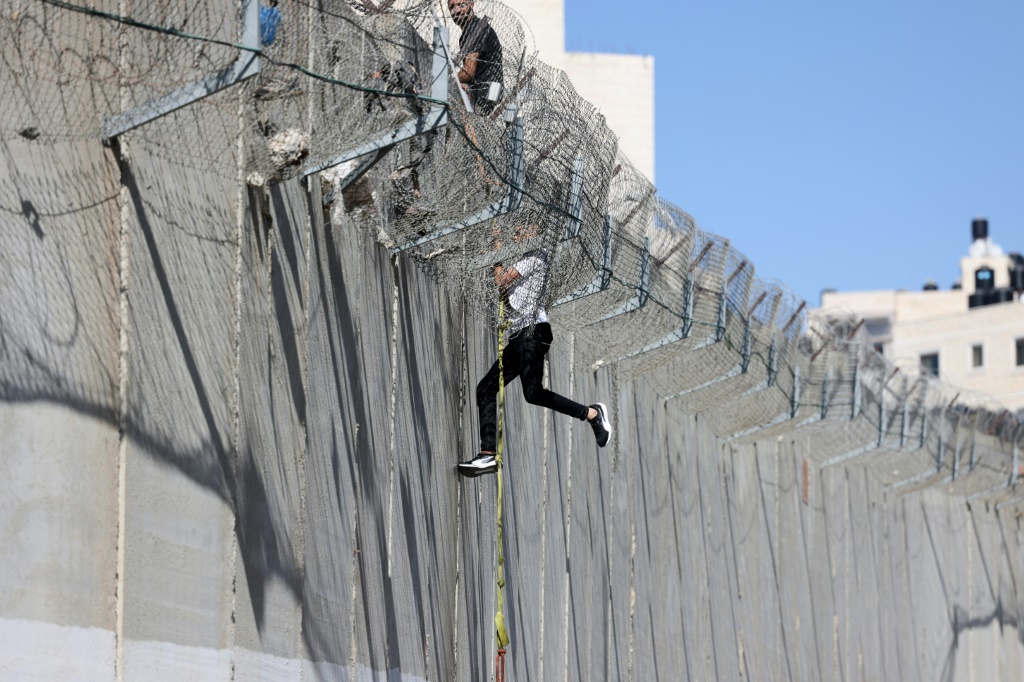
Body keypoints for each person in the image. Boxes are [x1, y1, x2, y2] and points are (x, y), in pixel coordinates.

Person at [458, 241, 612, 477]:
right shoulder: (522, 259)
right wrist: (497, 263)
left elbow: (501, 280)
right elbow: (506, 297)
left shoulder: (536, 256)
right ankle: (487, 455)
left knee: (533, 393)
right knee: (486, 390)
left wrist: (496, 257)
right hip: (520, 334)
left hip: (533, 332)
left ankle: (592, 414)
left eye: (523, 229)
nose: (517, 233)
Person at [448, 0, 503, 115]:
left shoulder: (474, 29)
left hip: (480, 94)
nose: (456, 10)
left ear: (471, 4)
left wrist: (449, 82)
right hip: (485, 94)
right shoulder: (473, 29)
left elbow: (468, 72)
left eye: (461, 5)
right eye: (451, 6)